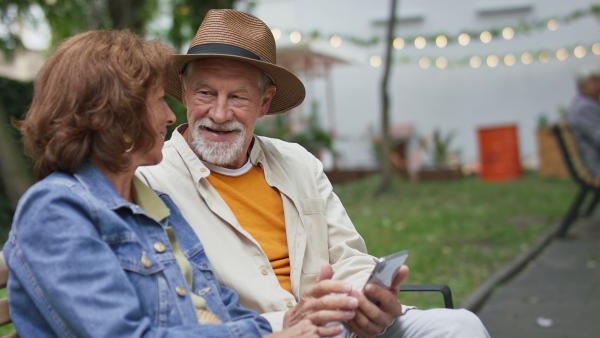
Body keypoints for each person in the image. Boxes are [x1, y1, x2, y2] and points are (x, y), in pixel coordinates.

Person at [137, 9, 490, 338]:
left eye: (239, 98)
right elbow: (180, 303)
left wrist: (367, 300)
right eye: (205, 93)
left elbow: (348, 255)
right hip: (264, 331)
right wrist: (292, 321)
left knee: (460, 325)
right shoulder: (151, 177)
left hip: (341, 322)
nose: (218, 113)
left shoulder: (297, 161)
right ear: (183, 90)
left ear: (265, 100)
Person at [2, 29, 319, 338]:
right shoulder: (55, 211)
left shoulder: (155, 205)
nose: (170, 116)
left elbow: (219, 306)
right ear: (115, 115)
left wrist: (290, 322)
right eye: (157, 100)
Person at [567, 67, 600, 177]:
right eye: (594, 82)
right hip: (595, 164)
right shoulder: (584, 108)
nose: (598, 86)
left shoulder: (583, 103)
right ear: (582, 86)